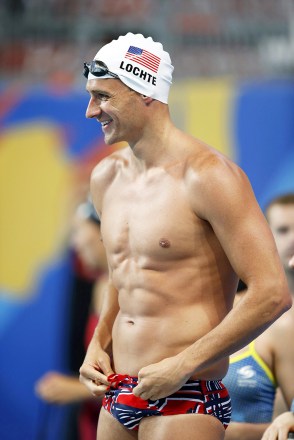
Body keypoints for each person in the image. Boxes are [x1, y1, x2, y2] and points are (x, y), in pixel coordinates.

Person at [79, 32, 292, 440]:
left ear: (145, 93)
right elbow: (124, 275)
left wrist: (183, 364)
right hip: (119, 390)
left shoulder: (210, 177)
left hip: (186, 394)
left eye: (103, 97)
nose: (91, 111)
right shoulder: (106, 178)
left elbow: (272, 294)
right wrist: (99, 341)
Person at [223, 194, 294, 440]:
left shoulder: (286, 326)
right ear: (266, 237)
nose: (293, 239)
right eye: (283, 230)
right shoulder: (226, 307)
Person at [36, 200, 108, 440]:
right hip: (92, 424)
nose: (75, 243)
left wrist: (77, 390)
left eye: (79, 231)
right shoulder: (98, 284)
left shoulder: (129, 293)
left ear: (102, 232)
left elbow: (144, 380)